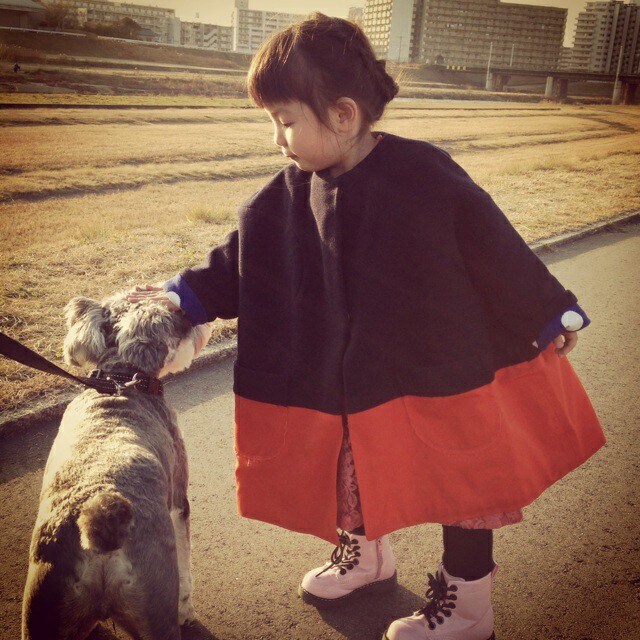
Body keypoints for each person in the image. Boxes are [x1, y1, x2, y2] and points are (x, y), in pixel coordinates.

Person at [127, 13, 606, 640]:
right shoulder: (286, 196)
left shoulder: (425, 174)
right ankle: (367, 556)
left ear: (344, 115)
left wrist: (545, 307)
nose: (277, 139)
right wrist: (180, 298)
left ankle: (468, 606)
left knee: (462, 482)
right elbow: (238, 263)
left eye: (285, 120)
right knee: (346, 464)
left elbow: (492, 245)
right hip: (345, 375)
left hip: (437, 371)